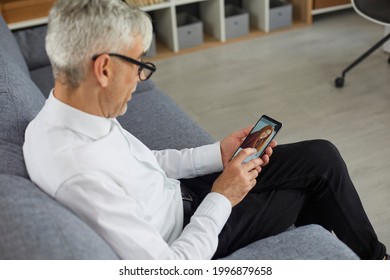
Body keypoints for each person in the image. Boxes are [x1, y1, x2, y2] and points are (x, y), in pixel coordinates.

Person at [23, 0, 388, 260]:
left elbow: (143, 162)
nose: (139, 79)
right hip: (190, 234)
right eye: (139, 65)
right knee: (310, 190)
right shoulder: (77, 171)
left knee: (321, 155)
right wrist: (223, 196)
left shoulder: (75, 113)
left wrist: (217, 154)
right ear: (103, 69)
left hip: (182, 197)